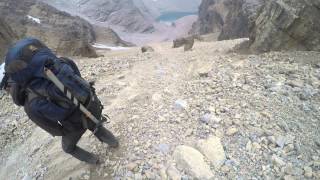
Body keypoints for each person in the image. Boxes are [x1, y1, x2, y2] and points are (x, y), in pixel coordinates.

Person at [0, 38, 119, 164]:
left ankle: (95, 161)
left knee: (67, 147)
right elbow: (78, 77)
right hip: (90, 102)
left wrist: (67, 130)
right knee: (96, 125)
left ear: (10, 85)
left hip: (75, 124)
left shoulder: (30, 103)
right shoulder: (60, 62)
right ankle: (114, 143)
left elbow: (52, 127)